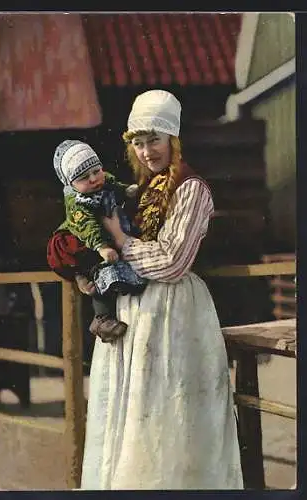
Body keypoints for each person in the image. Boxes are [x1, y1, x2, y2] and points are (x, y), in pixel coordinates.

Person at [77, 89, 244, 489]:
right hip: (136, 314)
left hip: (175, 314)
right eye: (138, 141)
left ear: (173, 139)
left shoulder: (191, 189)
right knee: (135, 412)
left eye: (155, 139)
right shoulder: (140, 190)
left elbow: (172, 260)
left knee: (173, 413)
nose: (147, 150)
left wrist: (122, 241)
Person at [48, 139, 147, 343]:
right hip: (85, 242)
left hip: (108, 233)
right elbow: (87, 227)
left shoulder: (102, 180)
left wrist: (126, 190)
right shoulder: (78, 203)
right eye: (85, 177)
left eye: (96, 171)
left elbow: (112, 184)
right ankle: (102, 319)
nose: (94, 179)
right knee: (100, 277)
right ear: (72, 184)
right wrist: (101, 247)